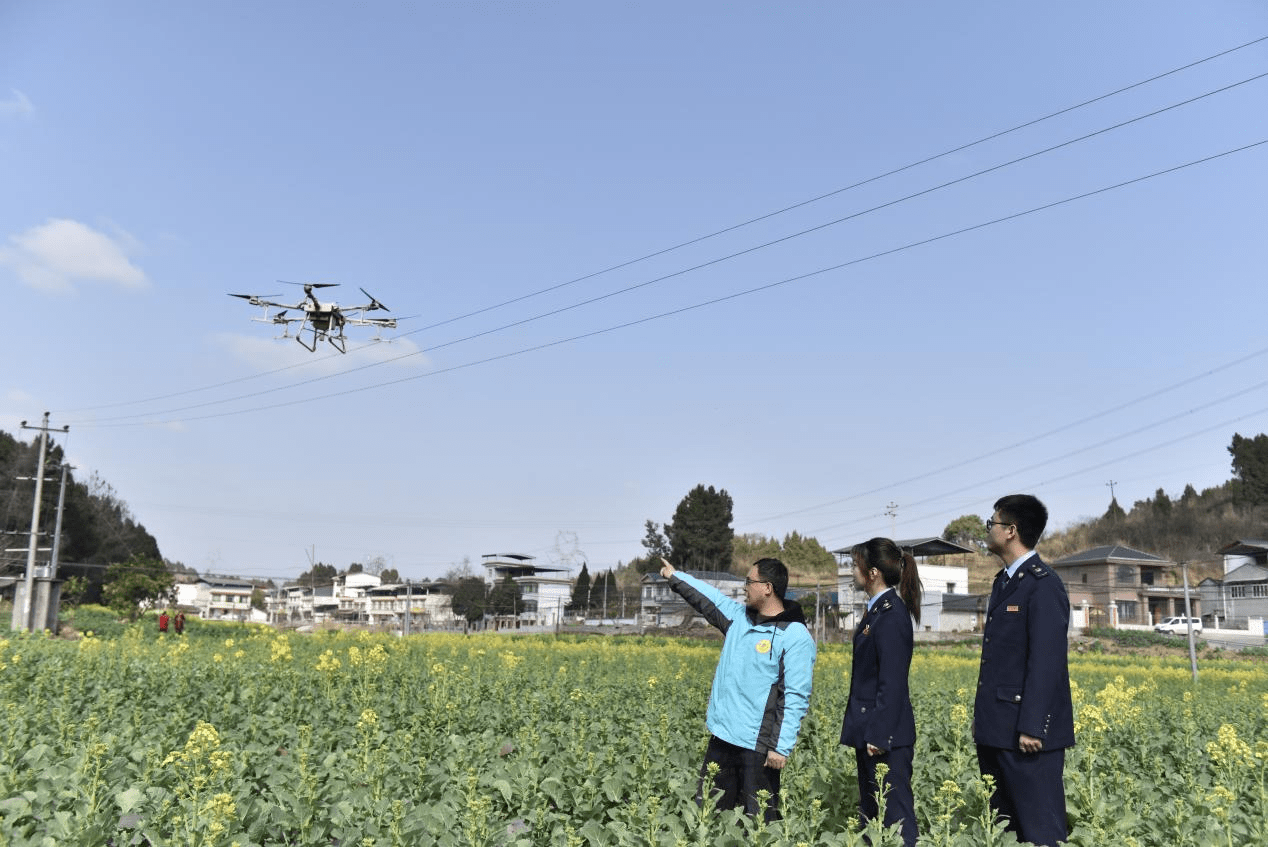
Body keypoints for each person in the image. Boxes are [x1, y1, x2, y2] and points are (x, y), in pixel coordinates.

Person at [659, 556, 816, 821]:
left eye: (749, 582)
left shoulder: (795, 635)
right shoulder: (738, 619)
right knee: (710, 814)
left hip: (758, 747)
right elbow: (708, 597)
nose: (744, 587)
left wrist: (781, 745)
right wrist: (675, 576)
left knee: (757, 823)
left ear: (767, 587)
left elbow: (795, 695)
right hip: (722, 737)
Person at [974, 494, 1074, 846]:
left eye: (993, 523)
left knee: (1040, 830)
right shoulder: (1004, 582)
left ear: (1011, 531)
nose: (988, 530)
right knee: (1005, 829)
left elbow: (1047, 662)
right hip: (997, 730)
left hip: (1027, 737)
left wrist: (1033, 726)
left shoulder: (1043, 585)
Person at [840, 537, 922, 847]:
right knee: (875, 814)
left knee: (896, 819)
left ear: (873, 572)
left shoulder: (891, 615)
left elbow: (893, 681)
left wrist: (880, 734)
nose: (852, 572)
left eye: (855, 565)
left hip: (885, 738)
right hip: (874, 732)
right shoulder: (878, 611)